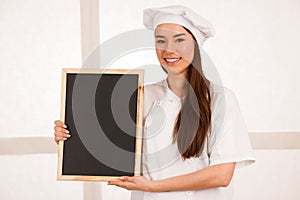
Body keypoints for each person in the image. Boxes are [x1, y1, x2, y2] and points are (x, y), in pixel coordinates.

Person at [54, 5, 255, 200]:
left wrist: (155, 186)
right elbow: (113, 150)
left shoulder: (220, 99)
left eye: (179, 40)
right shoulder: (142, 95)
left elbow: (221, 175)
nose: (169, 50)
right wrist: (72, 139)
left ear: (196, 44)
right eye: (161, 41)